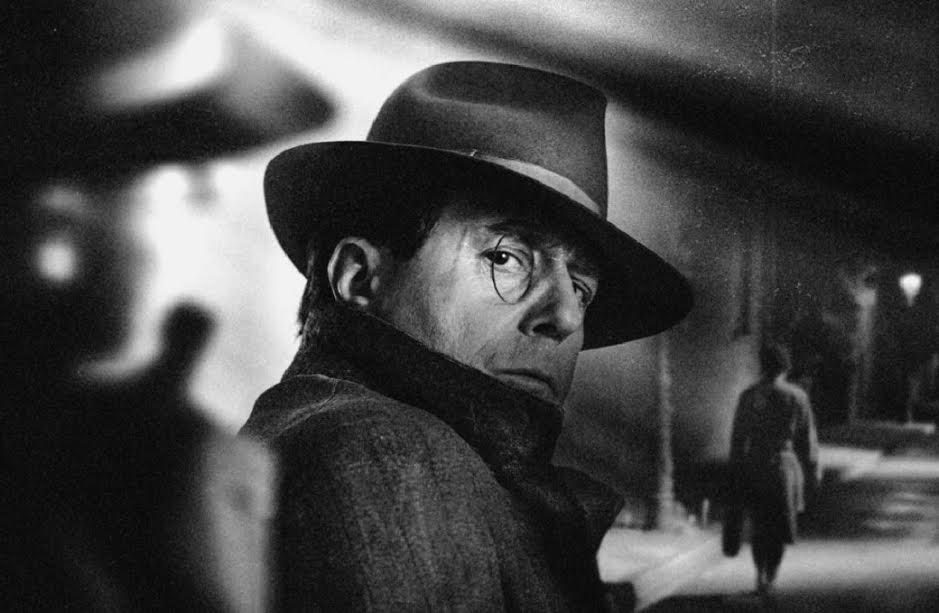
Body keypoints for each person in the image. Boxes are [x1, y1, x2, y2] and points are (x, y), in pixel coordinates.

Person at [241, 61, 692, 611]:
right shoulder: (387, 453)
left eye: (581, 288)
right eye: (505, 257)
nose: (567, 318)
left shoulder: (339, 437)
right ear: (359, 278)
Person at [729, 343, 821, 597]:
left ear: (762, 365)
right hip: (784, 468)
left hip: (755, 465)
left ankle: (759, 575)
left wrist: (736, 470)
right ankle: (771, 577)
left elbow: (738, 437)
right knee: (779, 527)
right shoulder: (797, 397)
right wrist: (813, 470)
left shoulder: (749, 396)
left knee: (760, 524)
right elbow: (807, 439)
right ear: (785, 367)